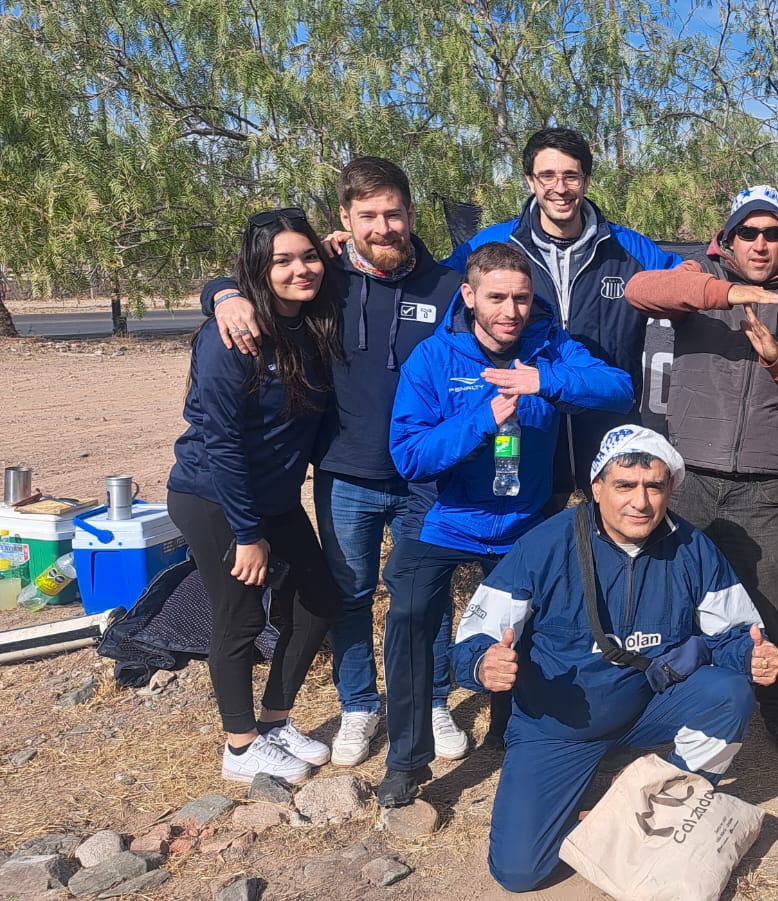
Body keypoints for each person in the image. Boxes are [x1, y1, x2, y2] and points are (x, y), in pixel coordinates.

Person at [204, 158, 470, 767]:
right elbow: (260, 273)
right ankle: (359, 705)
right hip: (344, 475)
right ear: (345, 221)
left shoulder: (447, 286)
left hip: (423, 477)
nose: (384, 226)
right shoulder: (328, 282)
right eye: (369, 215)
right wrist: (220, 295)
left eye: (394, 213)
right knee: (350, 594)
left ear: (410, 214)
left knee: (424, 594)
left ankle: (430, 701)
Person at [449, 426, 777, 892]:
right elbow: (473, 636)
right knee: (520, 872)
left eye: (654, 486)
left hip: (649, 706)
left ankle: (662, 803)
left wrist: (751, 657)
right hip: (557, 729)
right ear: (596, 488)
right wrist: (483, 664)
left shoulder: (692, 547)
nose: (640, 502)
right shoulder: (544, 545)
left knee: (730, 693)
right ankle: (605, 794)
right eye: (624, 485)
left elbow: (735, 633)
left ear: (670, 490)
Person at [375, 242, 633, 806]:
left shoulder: (549, 347)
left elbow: (619, 388)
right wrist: (482, 419)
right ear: (469, 296)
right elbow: (410, 456)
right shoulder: (433, 359)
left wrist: (547, 382)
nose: (510, 310)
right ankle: (407, 760)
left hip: (523, 518)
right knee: (412, 619)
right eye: (496, 297)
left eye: (521, 298)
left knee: (540, 625)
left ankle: (513, 729)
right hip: (444, 520)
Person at [623, 185, 778, 763]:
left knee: (774, 602)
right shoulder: (698, 278)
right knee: (665, 595)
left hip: (764, 483)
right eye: (749, 232)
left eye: (772, 233)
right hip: (688, 475)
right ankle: (661, 700)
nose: (760, 243)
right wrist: (727, 292)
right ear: (730, 238)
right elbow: (642, 290)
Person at [167, 209, 342, 784]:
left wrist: (337, 245)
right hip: (215, 497)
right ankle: (240, 748)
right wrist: (247, 534)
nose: (301, 269)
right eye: (283, 261)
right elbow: (221, 442)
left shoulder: (309, 320)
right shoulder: (233, 337)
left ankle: (274, 721)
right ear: (256, 270)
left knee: (317, 599)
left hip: (274, 496)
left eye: (309, 256)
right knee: (240, 615)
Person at [443, 127, 682, 508]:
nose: (560, 187)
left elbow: (690, 280)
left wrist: (770, 275)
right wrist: (344, 251)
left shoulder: (630, 248)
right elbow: (429, 285)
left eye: (571, 176)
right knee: (536, 549)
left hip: (607, 422)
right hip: (529, 427)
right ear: (529, 180)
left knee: (612, 548)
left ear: (586, 180)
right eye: (547, 176)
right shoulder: (492, 245)